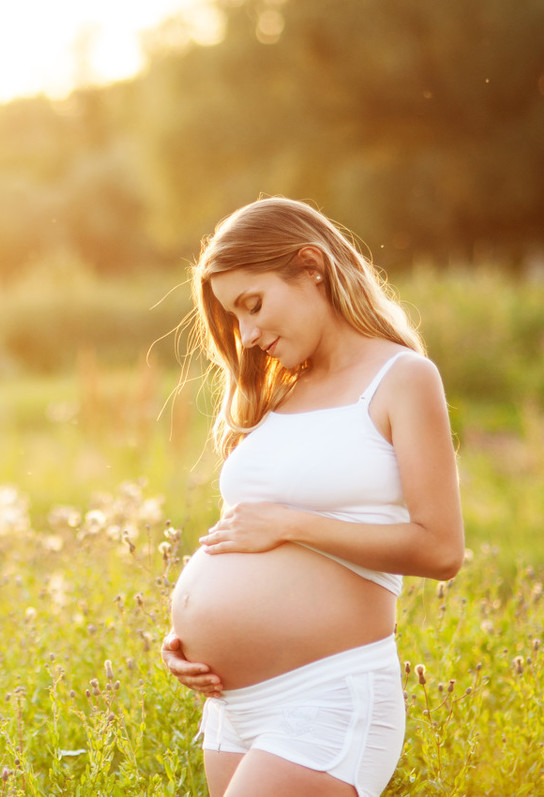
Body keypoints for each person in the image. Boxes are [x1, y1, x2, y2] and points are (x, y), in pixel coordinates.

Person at [161, 197, 464, 797]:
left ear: (311, 267)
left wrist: (292, 525)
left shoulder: (402, 378)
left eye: (253, 306)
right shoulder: (276, 396)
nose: (247, 336)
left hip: (326, 696)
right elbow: (245, 532)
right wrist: (186, 639)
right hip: (232, 708)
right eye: (234, 319)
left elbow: (441, 550)